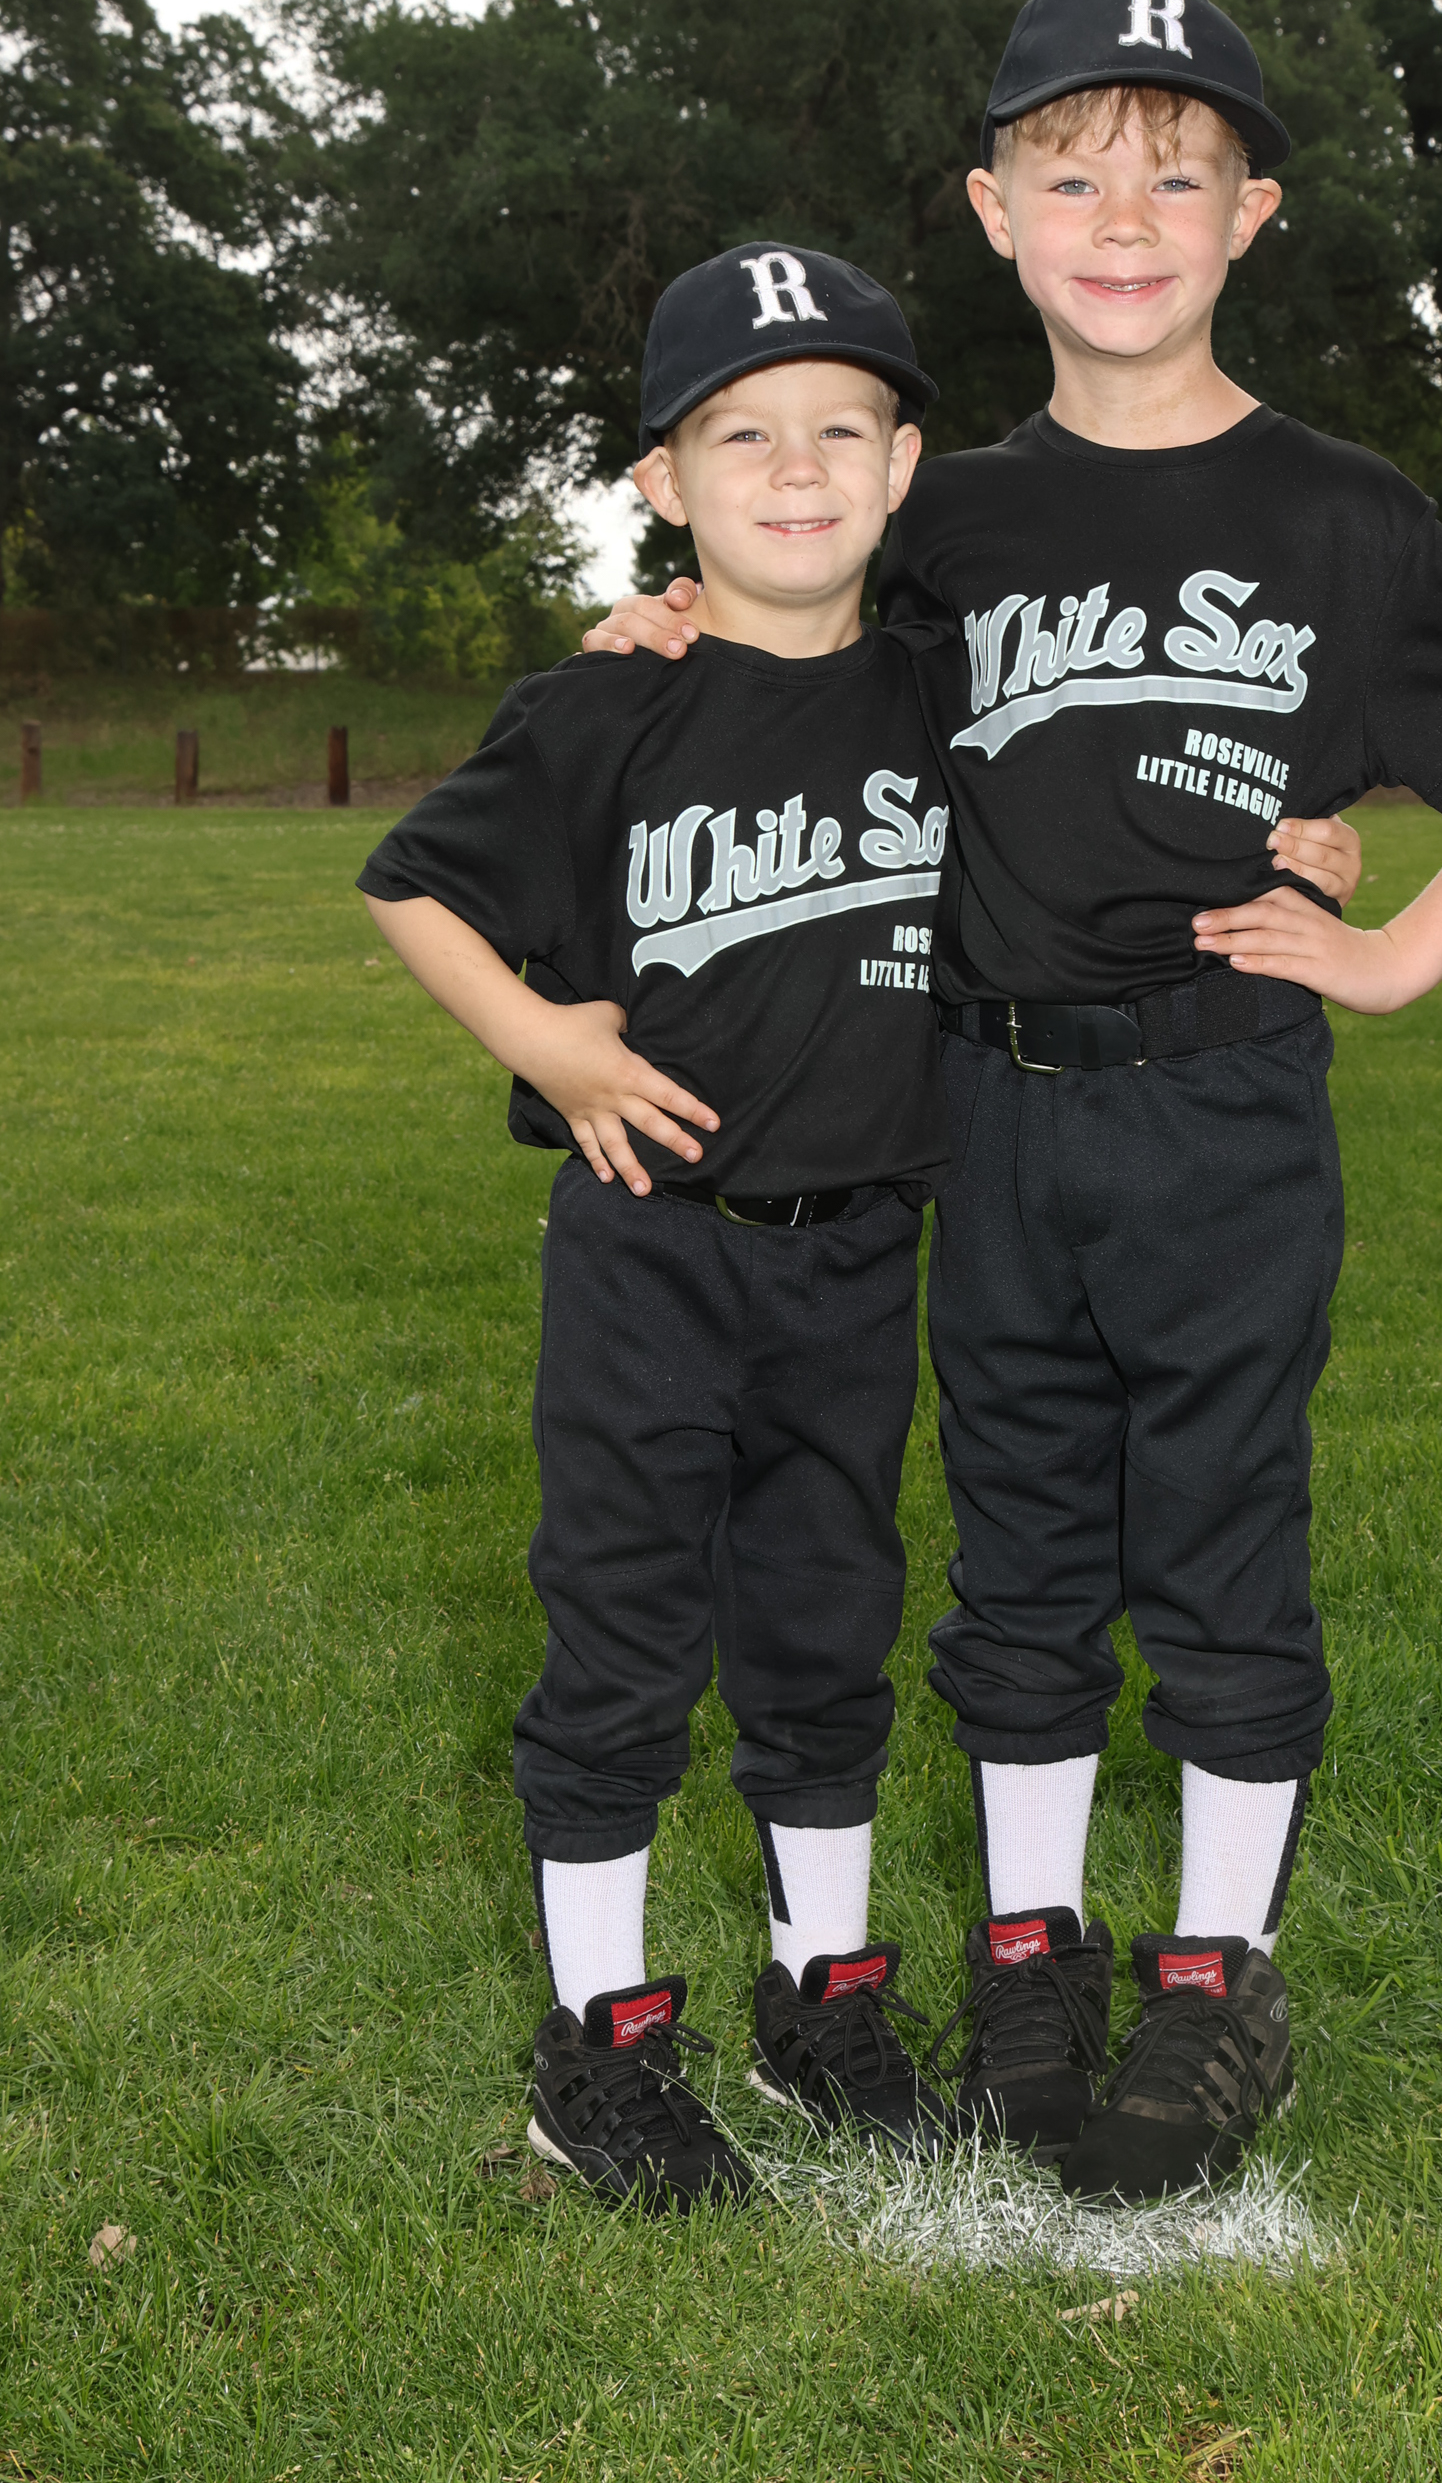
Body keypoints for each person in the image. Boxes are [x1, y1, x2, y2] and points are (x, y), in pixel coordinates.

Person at [588, 0, 1442, 2204]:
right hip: (983, 1105)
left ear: (1256, 214)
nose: (1123, 219)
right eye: (1069, 178)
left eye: (1177, 175)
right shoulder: (936, 516)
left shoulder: (1342, 508)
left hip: (1224, 1102)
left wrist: (1400, 945)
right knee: (1024, 1532)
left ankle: (1215, 1969)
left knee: (1222, 1525)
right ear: (993, 214)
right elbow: (773, 650)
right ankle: (1033, 1948)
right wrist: (661, 625)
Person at [356, 244, 968, 2215]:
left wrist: (1315, 834)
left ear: (901, 466)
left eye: (840, 430)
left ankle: (821, 2001)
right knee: (622, 1634)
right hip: (651, 1245)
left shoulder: (948, 685)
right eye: (741, 434)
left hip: (857, 1250)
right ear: (663, 481)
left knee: (828, 1622)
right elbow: (414, 885)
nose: (796, 470)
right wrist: (545, 1038)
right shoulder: (606, 705)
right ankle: (598, 2044)